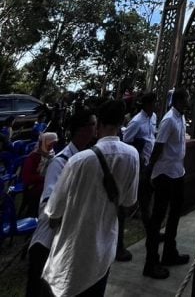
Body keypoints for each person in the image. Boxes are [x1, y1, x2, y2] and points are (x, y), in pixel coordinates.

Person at [42, 100, 139, 297]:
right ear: (121, 123)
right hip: (104, 250)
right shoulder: (132, 156)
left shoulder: (78, 160)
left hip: (72, 250)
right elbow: (128, 203)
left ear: (99, 124)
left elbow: (54, 211)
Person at [26, 109, 97, 297]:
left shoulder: (87, 159)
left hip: (66, 241)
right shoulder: (61, 162)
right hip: (48, 242)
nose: (95, 129)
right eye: (92, 124)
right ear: (81, 130)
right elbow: (48, 207)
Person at [144, 88, 191, 280]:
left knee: (175, 214)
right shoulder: (169, 119)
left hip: (177, 172)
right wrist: (149, 172)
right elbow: (158, 146)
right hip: (164, 174)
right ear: (180, 100)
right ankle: (151, 262)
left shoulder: (180, 117)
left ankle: (169, 252)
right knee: (158, 219)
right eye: (187, 98)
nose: (189, 101)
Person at [120, 92, 157, 258]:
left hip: (150, 164)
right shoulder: (136, 121)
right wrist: (139, 153)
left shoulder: (153, 117)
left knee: (147, 198)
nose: (154, 106)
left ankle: (151, 229)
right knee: (136, 199)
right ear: (146, 105)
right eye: (153, 103)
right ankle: (147, 229)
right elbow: (126, 141)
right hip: (139, 165)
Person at [22, 132, 58, 217]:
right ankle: (33, 215)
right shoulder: (34, 157)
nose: (51, 147)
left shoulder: (51, 154)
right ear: (43, 143)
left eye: (53, 144)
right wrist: (44, 178)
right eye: (49, 144)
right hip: (33, 186)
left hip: (46, 182)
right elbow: (27, 177)